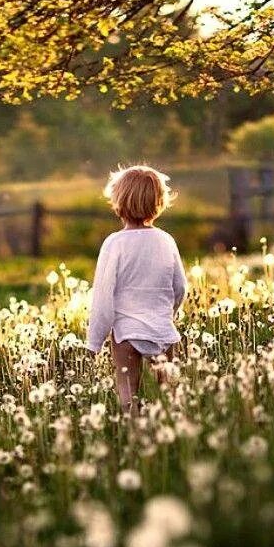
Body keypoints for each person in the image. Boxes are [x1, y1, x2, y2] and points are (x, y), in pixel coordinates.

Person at [86, 164, 188, 415]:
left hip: (126, 335)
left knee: (128, 398)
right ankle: (169, 442)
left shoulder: (114, 244)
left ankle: (133, 439)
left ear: (118, 200)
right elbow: (180, 288)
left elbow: (102, 299)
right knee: (169, 400)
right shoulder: (166, 240)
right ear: (159, 202)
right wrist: (166, 314)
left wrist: (94, 342)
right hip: (163, 332)